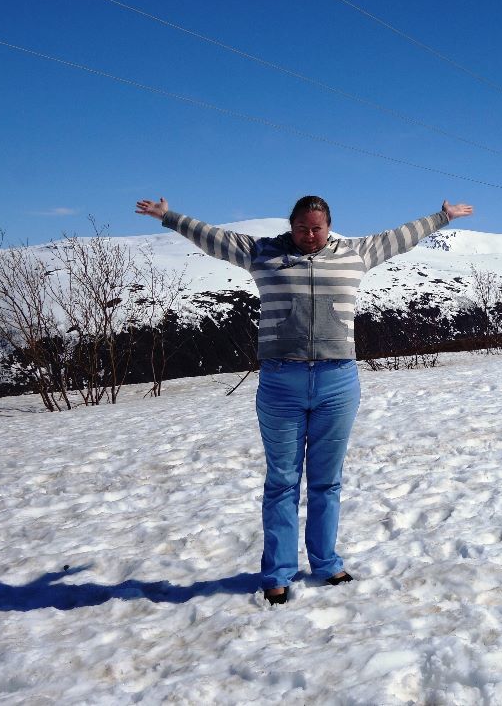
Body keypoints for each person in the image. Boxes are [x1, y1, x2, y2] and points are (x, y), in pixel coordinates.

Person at [135, 194, 474, 605]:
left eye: (316, 228)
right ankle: (277, 573)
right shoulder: (263, 253)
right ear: (290, 225)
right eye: (301, 228)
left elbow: (401, 237)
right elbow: (212, 237)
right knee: (282, 481)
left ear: (329, 226)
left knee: (327, 481)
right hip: (281, 381)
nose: (309, 236)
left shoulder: (355, 253)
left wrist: (442, 217)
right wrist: (168, 216)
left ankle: (326, 563)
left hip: (338, 382)